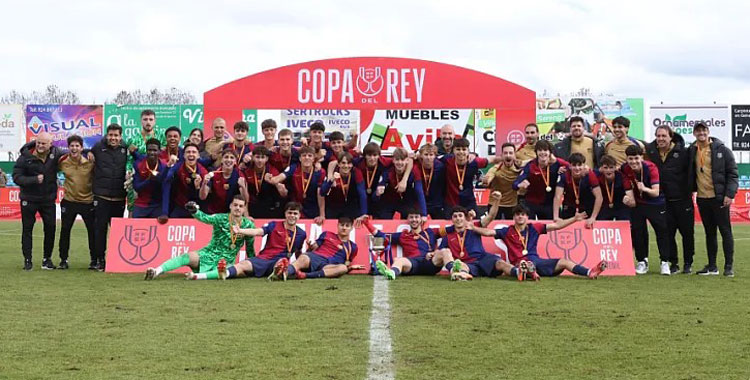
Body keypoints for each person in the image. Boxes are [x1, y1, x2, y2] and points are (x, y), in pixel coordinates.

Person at [472, 205, 607, 279]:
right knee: (525, 264)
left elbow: (556, 226)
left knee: (564, 261)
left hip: (537, 261)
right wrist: (473, 227)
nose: (520, 216)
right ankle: (527, 272)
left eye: (523, 214)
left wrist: (574, 219)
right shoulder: (507, 231)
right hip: (520, 263)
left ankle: (590, 272)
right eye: (517, 214)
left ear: (527, 217)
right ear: (513, 217)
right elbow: (488, 232)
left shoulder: (534, 228)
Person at [186, 202, 306, 281]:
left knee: (282, 262)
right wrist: (241, 231)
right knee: (242, 265)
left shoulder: (301, 234)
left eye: (295, 213)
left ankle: (277, 273)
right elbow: (257, 231)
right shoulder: (274, 225)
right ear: (285, 214)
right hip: (263, 259)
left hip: (279, 261)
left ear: (299, 216)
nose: (292, 216)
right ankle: (204, 276)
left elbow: (298, 252)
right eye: (290, 213)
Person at [144, 196, 255, 280]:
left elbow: (250, 248)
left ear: (244, 208)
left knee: (227, 270)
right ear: (230, 206)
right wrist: (194, 211)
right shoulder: (220, 218)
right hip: (208, 254)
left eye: (240, 206)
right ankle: (156, 271)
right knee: (187, 256)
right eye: (235, 205)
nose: (237, 208)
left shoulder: (249, 225)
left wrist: (253, 265)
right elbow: (205, 218)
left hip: (226, 260)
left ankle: (197, 276)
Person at [687, 122, 738, 276]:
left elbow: (733, 174)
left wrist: (729, 194)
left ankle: (728, 266)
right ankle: (712, 266)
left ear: (708, 132)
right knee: (709, 233)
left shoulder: (722, 150)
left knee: (725, 231)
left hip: (720, 197)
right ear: (694, 133)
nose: (701, 133)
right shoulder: (691, 151)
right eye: (698, 130)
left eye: (703, 130)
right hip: (703, 198)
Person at [645, 125, 693, 274]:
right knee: (668, 234)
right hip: (663, 201)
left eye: (663, 136)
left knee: (687, 234)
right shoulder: (651, 152)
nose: (660, 139)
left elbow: (691, 173)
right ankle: (674, 263)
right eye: (658, 136)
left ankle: (688, 263)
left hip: (682, 199)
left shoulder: (683, 152)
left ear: (670, 137)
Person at [13, 132, 61, 270]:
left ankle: (47, 260)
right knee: (27, 229)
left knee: (50, 229)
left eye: (43, 143)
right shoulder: (25, 157)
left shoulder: (56, 154)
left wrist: (90, 153)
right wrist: (34, 180)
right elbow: (17, 177)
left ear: (50, 144)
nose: (40, 145)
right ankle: (27, 260)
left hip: (48, 200)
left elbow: (74, 151)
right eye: (38, 142)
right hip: (29, 199)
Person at [621, 145, 671, 275]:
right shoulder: (625, 168)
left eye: (636, 158)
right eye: (630, 159)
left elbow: (655, 192)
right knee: (638, 232)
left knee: (662, 232)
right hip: (638, 204)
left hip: (655, 203)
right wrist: (628, 199)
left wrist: (644, 189)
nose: (633, 162)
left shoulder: (651, 168)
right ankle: (642, 261)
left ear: (642, 157)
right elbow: (627, 189)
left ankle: (665, 262)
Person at [438, 206, 524, 281]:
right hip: (468, 263)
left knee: (500, 263)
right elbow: (441, 252)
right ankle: (461, 275)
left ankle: (518, 272)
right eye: (455, 216)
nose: (458, 218)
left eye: (460, 216)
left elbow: (490, 216)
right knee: (462, 266)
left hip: (482, 259)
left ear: (465, 218)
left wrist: (496, 201)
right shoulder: (448, 236)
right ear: (452, 219)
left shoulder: (474, 226)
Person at [364, 209, 452, 279]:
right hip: (413, 264)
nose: (414, 220)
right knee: (399, 260)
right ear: (408, 220)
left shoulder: (431, 232)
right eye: (411, 217)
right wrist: (366, 222)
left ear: (421, 219)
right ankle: (392, 273)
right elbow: (381, 235)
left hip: (430, 263)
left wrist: (436, 251)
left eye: (416, 217)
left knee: (445, 251)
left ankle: (454, 272)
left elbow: (450, 230)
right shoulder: (403, 235)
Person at [90, 124, 129, 271]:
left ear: (120, 136)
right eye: (110, 135)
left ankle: (116, 260)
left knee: (117, 232)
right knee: (100, 230)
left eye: (116, 135)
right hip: (101, 196)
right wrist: (88, 154)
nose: (113, 138)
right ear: (107, 135)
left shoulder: (126, 149)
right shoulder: (98, 147)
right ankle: (100, 259)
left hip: (119, 197)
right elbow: (85, 152)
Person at [57, 135, 95, 269]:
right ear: (68, 148)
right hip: (69, 201)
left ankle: (94, 260)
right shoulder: (62, 161)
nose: (74, 148)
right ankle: (63, 260)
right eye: (72, 146)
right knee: (65, 231)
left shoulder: (90, 160)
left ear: (81, 148)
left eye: (77, 146)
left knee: (92, 232)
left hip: (88, 201)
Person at [284, 216, 364, 279]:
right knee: (304, 258)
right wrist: (310, 247)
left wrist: (350, 268)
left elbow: (347, 263)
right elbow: (313, 248)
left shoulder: (353, 247)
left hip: (329, 266)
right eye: (342, 225)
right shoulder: (327, 234)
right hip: (316, 257)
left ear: (351, 228)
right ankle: (284, 272)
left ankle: (305, 275)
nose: (344, 228)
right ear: (337, 225)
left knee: (342, 268)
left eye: (347, 226)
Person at [513, 140, 569, 220]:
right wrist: (519, 185)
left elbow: (571, 168)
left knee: (552, 229)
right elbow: (514, 185)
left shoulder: (557, 163)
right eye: (540, 150)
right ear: (536, 152)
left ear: (550, 152)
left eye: (545, 150)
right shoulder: (531, 165)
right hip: (531, 203)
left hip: (549, 204)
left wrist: (564, 169)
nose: (543, 153)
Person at [272, 146, 326, 223]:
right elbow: (278, 178)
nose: (306, 158)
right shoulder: (294, 168)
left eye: (310, 156)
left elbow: (320, 193)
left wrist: (322, 215)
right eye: (304, 155)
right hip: (295, 208)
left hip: (312, 209)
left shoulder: (320, 172)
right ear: (300, 158)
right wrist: (271, 179)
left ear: (314, 159)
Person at [440, 138, 488, 218]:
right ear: (453, 150)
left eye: (464, 149)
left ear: (468, 151)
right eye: (458, 149)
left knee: (476, 225)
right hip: (451, 204)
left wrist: (489, 176)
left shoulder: (473, 161)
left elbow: (493, 160)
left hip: (469, 204)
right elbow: (431, 158)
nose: (461, 152)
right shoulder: (446, 160)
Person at [373, 147, 427, 219]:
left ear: (407, 161)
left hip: (407, 201)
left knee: (410, 218)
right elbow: (374, 197)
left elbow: (419, 191)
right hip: (390, 201)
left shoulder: (414, 171)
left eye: (402, 160)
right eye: (397, 160)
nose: (400, 163)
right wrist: (377, 193)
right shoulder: (387, 172)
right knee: (383, 215)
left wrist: (424, 214)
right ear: (393, 160)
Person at [553, 152, 602, 227]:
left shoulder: (589, 174)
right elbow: (557, 196)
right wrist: (556, 217)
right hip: (569, 207)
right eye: (574, 165)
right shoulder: (564, 175)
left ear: (584, 165)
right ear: (569, 166)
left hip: (587, 208)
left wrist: (593, 217)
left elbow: (599, 197)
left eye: (579, 165)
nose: (577, 168)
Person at [162, 142, 209, 218]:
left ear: (198, 156)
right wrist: (169, 165)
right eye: (188, 152)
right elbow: (165, 178)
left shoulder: (203, 171)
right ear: (184, 155)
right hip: (181, 206)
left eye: (194, 152)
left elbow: (203, 197)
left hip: (198, 207)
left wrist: (200, 186)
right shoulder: (178, 167)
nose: (191, 154)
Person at [320, 152, 367, 221]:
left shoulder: (356, 172)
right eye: (343, 163)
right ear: (338, 164)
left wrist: (363, 214)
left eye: (349, 163)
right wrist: (331, 181)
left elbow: (362, 194)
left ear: (352, 165)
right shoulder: (333, 173)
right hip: (334, 208)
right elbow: (322, 192)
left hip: (351, 208)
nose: (346, 166)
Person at [243, 145, 286, 218]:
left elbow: (283, 194)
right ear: (253, 157)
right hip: (252, 207)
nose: (260, 160)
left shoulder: (273, 171)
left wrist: (274, 182)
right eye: (257, 157)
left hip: (269, 208)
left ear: (267, 159)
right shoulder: (247, 171)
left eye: (262, 157)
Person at [200, 149, 248, 214]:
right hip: (214, 214)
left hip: (232, 214)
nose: (229, 160)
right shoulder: (213, 174)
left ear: (235, 162)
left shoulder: (240, 175)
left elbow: (246, 200)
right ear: (222, 160)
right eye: (226, 157)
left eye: (232, 157)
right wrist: (204, 183)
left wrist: (243, 187)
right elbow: (203, 197)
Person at [482, 142, 521, 219]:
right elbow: (489, 177)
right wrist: (486, 182)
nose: (508, 155)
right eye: (505, 153)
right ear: (502, 155)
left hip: (512, 205)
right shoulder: (495, 168)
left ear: (514, 155)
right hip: (494, 203)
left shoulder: (519, 169)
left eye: (510, 153)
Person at [132, 138, 168, 218]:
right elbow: (136, 187)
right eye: (149, 150)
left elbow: (166, 189)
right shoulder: (138, 164)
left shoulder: (164, 166)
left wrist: (164, 213)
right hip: (141, 204)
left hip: (158, 205)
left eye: (155, 150)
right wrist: (149, 180)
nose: (152, 153)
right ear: (146, 150)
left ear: (159, 151)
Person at [415, 143, 446, 219]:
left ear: (435, 156)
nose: (428, 158)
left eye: (431, 155)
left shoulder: (440, 167)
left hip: (436, 203)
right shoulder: (416, 166)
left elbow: (444, 186)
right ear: (421, 155)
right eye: (426, 154)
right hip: (420, 201)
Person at [594, 155, 630, 221]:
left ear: (615, 168)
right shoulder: (597, 176)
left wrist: (627, 196)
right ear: (601, 168)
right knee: (601, 224)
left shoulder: (621, 176)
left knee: (625, 222)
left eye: (611, 167)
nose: (608, 170)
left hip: (620, 205)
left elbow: (628, 190)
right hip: (604, 206)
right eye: (605, 168)